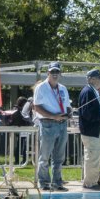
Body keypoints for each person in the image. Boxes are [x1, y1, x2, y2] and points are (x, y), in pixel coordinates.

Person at [33, 61, 71, 191]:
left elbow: (67, 106)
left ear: (60, 73)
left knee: (59, 157)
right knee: (45, 156)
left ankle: (57, 182)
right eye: (52, 72)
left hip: (62, 124)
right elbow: (37, 107)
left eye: (57, 72)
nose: (55, 74)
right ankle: (43, 183)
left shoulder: (63, 88)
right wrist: (53, 116)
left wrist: (68, 113)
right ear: (48, 73)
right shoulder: (41, 87)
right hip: (48, 124)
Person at [78, 69, 100, 190]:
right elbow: (86, 113)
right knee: (92, 157)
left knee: (94, 157)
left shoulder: (93, 91)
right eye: (99, 78)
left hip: (94, 129)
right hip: (90, 130)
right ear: (92, 79)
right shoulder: (88, 91)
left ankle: (90, 182)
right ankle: (90, 183)